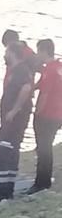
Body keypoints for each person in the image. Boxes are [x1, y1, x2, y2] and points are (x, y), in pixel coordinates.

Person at [0, 42, 34, 202]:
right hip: (13, 119)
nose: (5, 55)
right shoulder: (18, 70)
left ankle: (3, 191)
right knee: (10, 150)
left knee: (3, 151)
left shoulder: (21, 70)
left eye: (7, 52)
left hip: (14, 120)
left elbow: (25, 88)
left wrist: (14, 110)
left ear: (13, 53)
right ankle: (6, 189)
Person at [29, 39, 62, 194]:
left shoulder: (49, 69)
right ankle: (44, 180)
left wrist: (37, 112)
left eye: (38, 51)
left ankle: (42, 182)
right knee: (46, 147)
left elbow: (45, 93)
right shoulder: (58, 67)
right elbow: (40, 85)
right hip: (58, 113)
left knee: (43, 149)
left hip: (47, 114)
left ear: (43, 51)